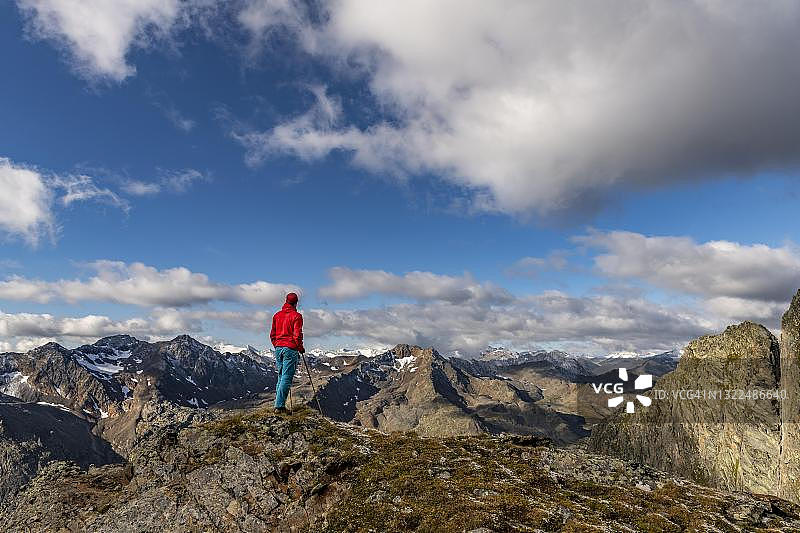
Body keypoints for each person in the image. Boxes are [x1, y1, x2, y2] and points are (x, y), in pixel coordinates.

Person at [270, 292, 305, 413]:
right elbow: (297, 335)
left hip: (278, 348)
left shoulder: (277, 315)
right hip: (290, 348)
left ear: (286, 301)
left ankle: (278, 404)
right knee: (286, 377)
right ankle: (279, 406)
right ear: (296, 303)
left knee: (280, 376)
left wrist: (277, 345)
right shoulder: (297, 316)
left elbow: (272, 334)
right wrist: (300, 348)